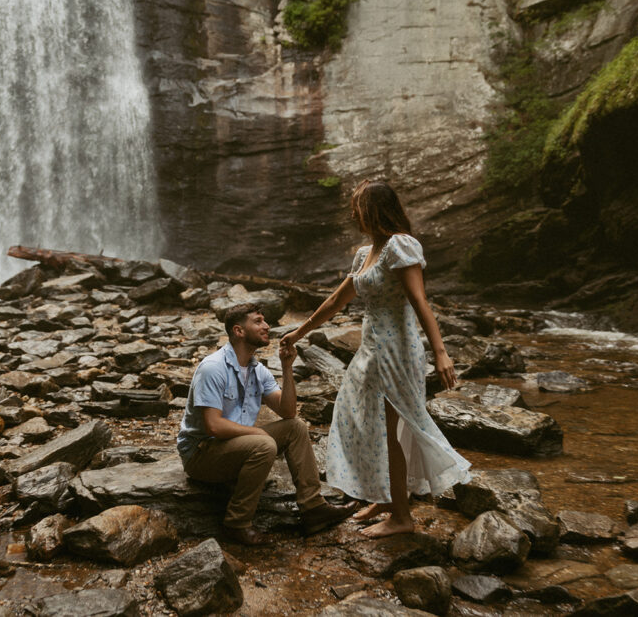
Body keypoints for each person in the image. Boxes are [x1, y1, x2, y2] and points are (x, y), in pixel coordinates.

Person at [280, 180, 471, 538]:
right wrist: (298, 332)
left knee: (393, 427)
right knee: (360, 418)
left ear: (373, 209)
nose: (353, 214)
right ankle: (386, 498)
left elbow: (419, 301)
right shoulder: (365, 253)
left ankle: (402, 516)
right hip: (372, 348)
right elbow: (337, 302)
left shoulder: (400, 246)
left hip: (397, 349)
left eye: (357, 207)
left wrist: (441, 353)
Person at [177, 302, 359, 546]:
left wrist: (287, 367)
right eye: (259, 321)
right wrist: (259, 435)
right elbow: (214, 427)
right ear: (239, 331)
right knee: (264, 445)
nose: (267, 327)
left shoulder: (256, 369)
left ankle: (313, 508)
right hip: (202, 455)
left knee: (296, 427)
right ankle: (237, 523)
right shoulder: (213, 368)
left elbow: (287, 411)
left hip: (236, 445)